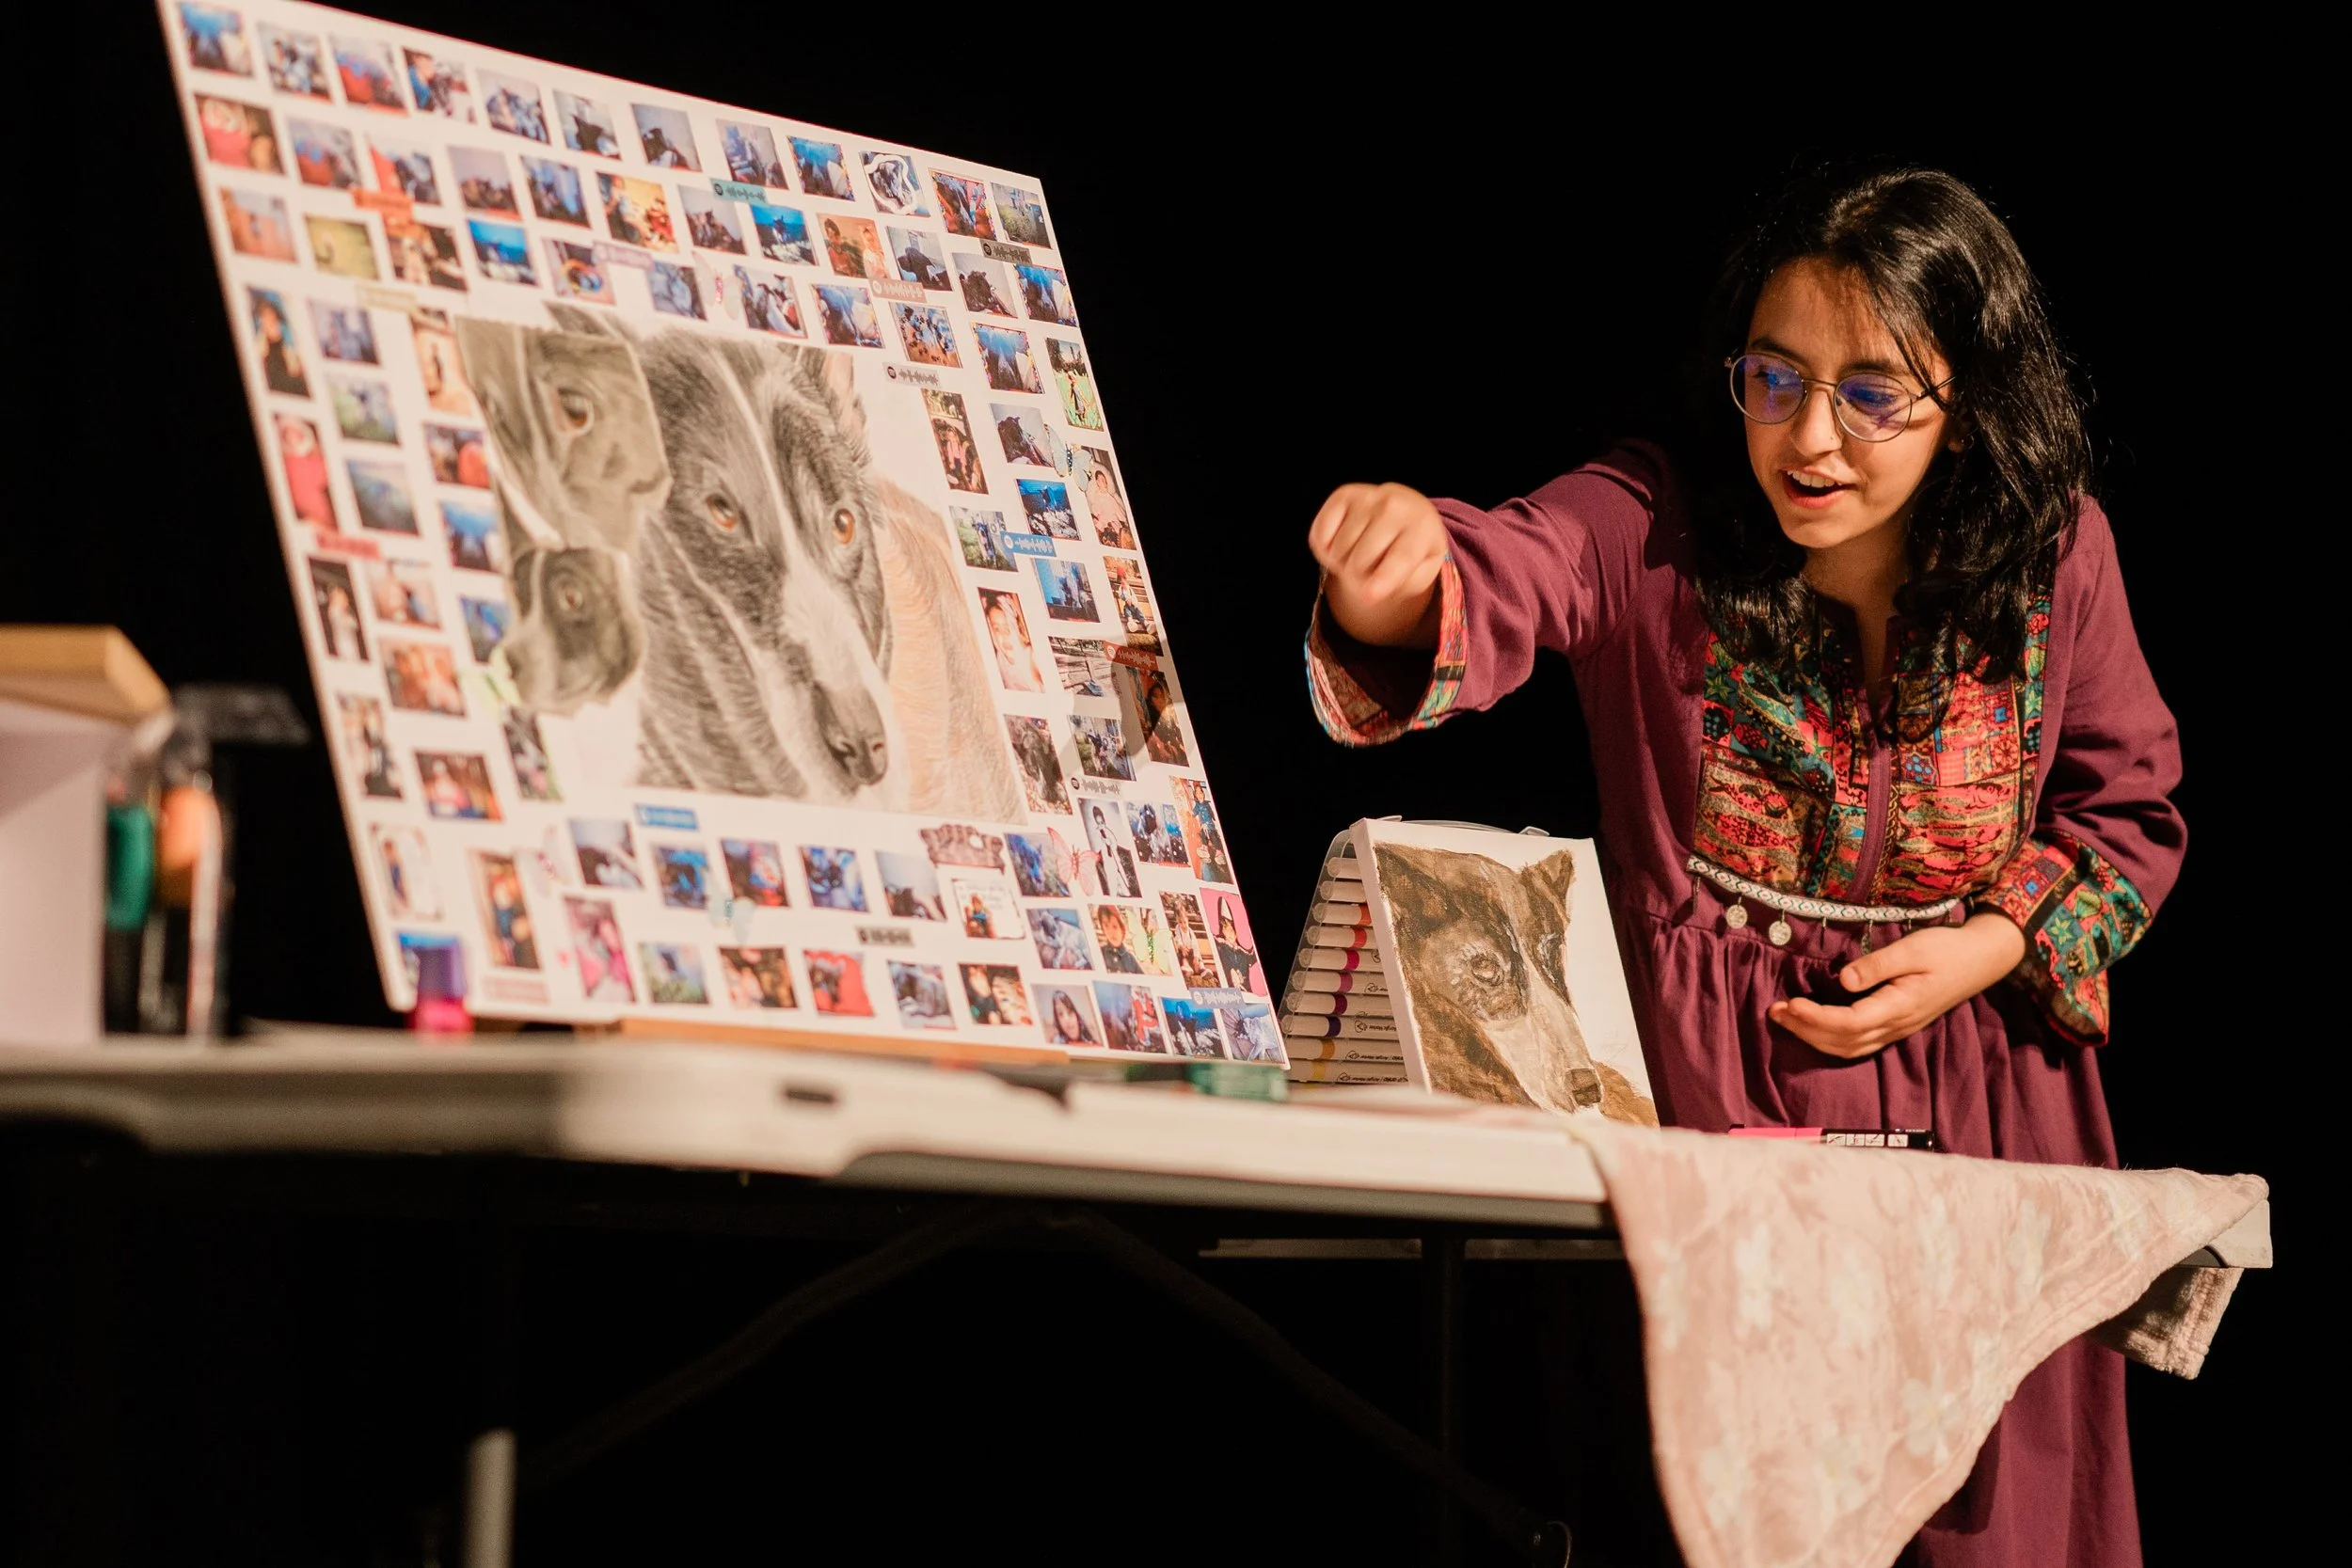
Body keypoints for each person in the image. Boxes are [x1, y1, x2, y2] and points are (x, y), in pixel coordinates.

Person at [1303, 167, 2179, 1568]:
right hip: (1726, 1141)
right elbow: (1510, 566)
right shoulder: (1655, 526)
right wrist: (1395, 575)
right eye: (1775, 379)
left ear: (1966, 407)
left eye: (1871, 394)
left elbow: (2125, 809)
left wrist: (1989, 943)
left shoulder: (2054, 557)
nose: (1808, 436)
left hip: (1988, 1140)